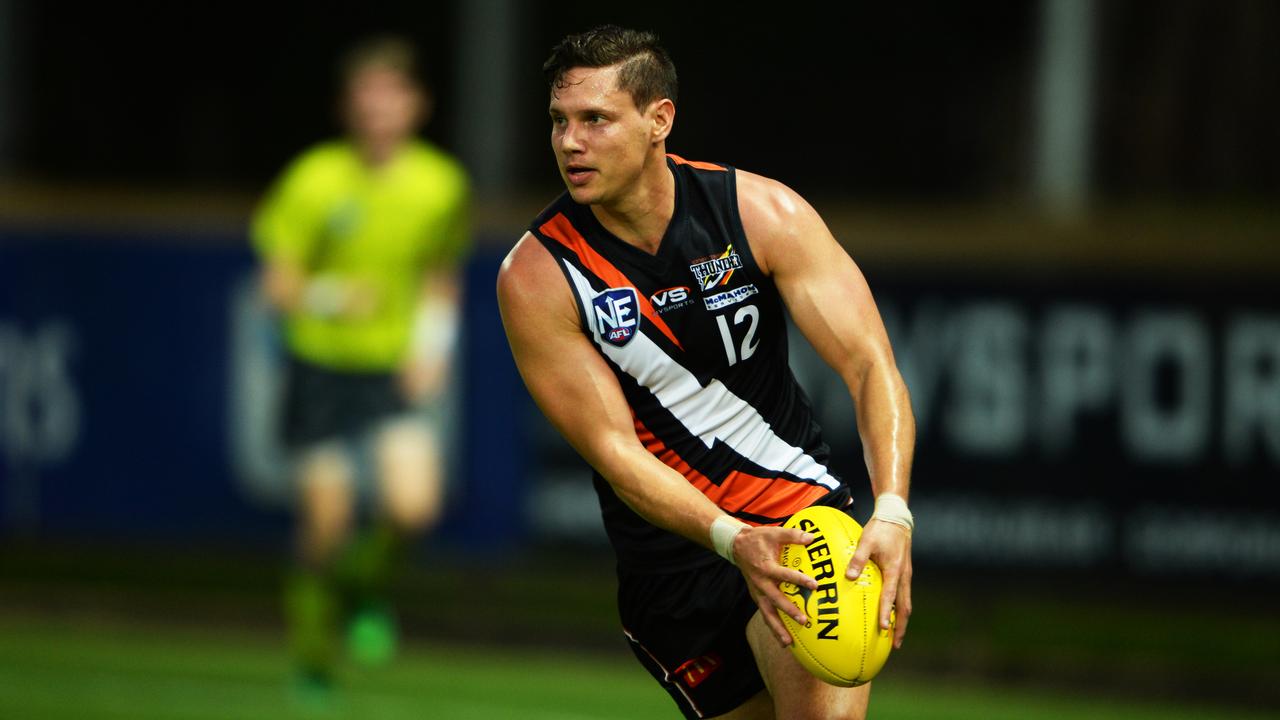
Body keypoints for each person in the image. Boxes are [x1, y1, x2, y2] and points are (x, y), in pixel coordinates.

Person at [496, 25, 914, 719]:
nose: (570, 142)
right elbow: (613, 451)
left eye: (596, 120)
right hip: (674, 561)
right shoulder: (539, 276)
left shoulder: (759, 212)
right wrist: (730, 537)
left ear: (659, 119)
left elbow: (870, 364)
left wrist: (894, 510)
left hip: (800, 524)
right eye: (559, 121)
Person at [251, 36, 469, 696]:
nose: (378, 107)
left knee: (413, 507)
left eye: (391, 94)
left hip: (388, 372)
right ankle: (313, 661)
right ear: (347, 107)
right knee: (326, 521)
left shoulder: (440, 184)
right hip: (320, 368)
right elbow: (276, 286)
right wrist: (330, 295)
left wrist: (432, 349)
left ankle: (362, 591)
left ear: (417, 104)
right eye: (365, 95)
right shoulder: (314, 178)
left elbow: (441, 275)